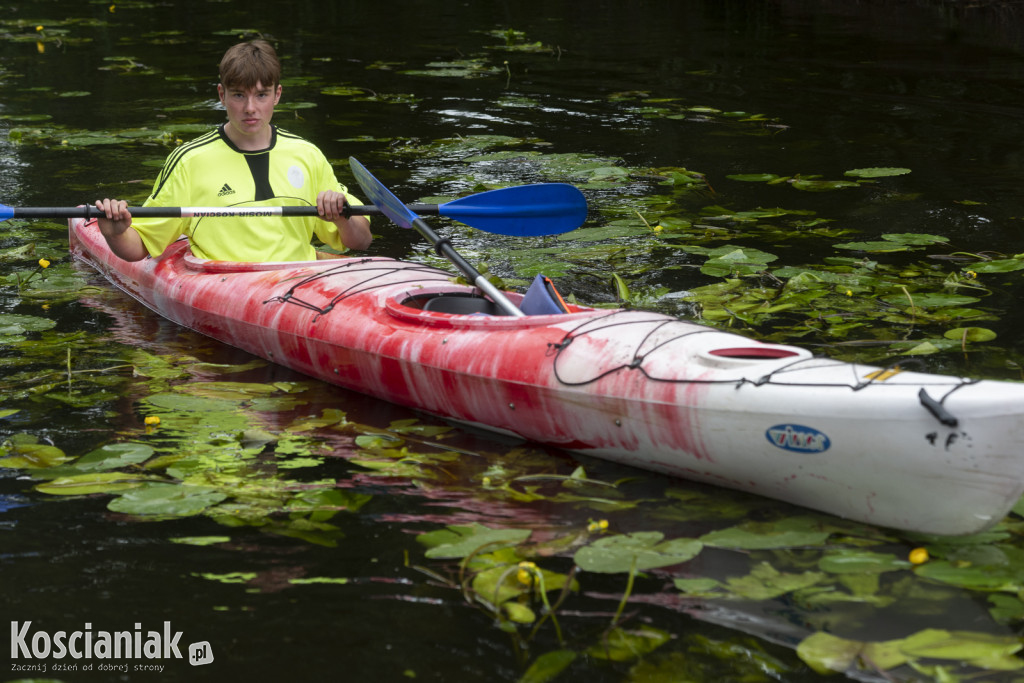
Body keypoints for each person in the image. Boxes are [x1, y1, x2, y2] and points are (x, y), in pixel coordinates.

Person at [94, 39, 372, 262]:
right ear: (221, 95)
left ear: (277, 95)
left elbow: (361, 241)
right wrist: (116, 234)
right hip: (226, 283)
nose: (250, 107)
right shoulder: (190, 160)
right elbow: (139, 248)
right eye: (239, 94)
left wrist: (342, 218)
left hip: (298, 280)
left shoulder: (307, 154)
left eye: (261, 95)